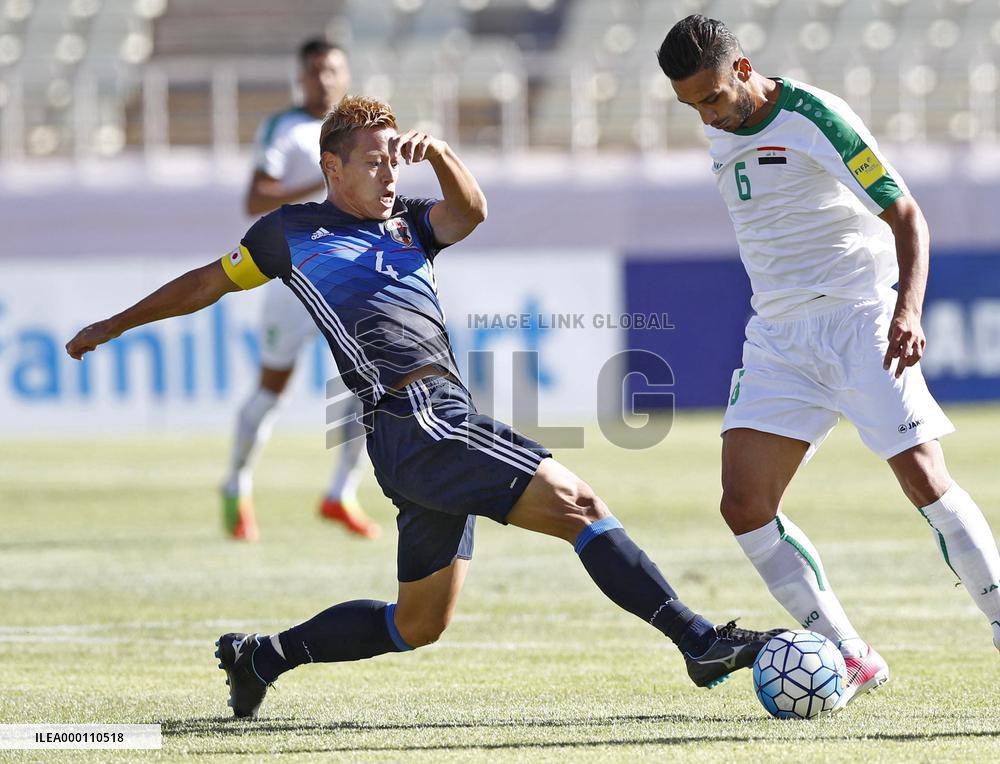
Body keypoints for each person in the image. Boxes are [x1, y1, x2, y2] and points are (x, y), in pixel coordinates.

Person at [66, 95, 783, 720]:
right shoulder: (289, 235)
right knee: (580, 504)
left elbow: (470, 212)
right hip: (418, 417)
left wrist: (438, 151)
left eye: (394, 160)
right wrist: (113, 324)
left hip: (420, 431)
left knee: (418, 623)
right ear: (333, 169)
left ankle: (265, 657)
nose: (389, 173)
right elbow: (207, 283)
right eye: (373, 161)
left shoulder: (409, 222)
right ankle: (698, 641)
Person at [656, 14, 1000, 707]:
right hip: (780, 336)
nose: (707, 114)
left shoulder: (816, 116)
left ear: (744, 70)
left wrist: (906, 311)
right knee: (743, 504)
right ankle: (850, 655)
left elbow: (906, 215)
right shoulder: (717, 122)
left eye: (713, 98)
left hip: (858, 318)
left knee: (924, 479)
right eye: (691, 104)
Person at [222, 37, 379, 542]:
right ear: (301, 77)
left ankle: (341, 494)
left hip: (346, 274)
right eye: (314, 71)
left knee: (372, 382)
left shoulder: (362, 131)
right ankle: (236, 483)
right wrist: (324, 179)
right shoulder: (285, 129)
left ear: (346, 74)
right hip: (291, 277)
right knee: (272, 389)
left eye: (332, 69)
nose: (324, 79)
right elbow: (255, 198)